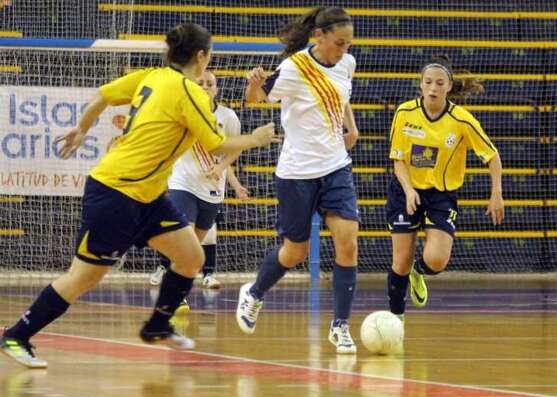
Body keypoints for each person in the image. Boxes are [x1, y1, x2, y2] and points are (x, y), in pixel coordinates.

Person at [0, 23, 276, 369]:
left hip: (148, 195)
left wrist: (81, 128)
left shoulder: (151, 75)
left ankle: (158, 324)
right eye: (210, 55)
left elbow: (103, 95)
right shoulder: (188, 91)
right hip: (117, 191)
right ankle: (17, 334)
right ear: (202, 56)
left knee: (191, 257)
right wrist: (256, 138)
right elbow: (216, 143)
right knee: (83, 277)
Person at [235, 6, 360, 354]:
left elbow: (342, 94)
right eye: (339, 43)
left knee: (348, 242)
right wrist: (255, 86)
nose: (344, 50)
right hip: (297, 173)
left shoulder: (346, 63)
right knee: (295, 252)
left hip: (336, 167)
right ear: (318, 37)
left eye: (348, 44)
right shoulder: (293, 68)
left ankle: (340, 325)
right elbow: (255, 100)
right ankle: (255, 292)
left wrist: (350, 124)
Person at [386, 57, 504, 321]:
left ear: (449, 86)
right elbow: (398, 160)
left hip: (441, 195)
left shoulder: (461, 120)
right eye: (428, 82)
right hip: (405, 190)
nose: (433, 88)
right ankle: (396, 319)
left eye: (439, 83)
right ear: (420, 84)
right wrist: (408, 190)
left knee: (437, 260)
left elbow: (492, 156)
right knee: (400, 261)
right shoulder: (405, 113)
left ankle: (419, 272)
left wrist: (496, 194)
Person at [148, 70, 249, 293]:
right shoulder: (182, 111)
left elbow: (237, 148)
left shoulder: (228, 117)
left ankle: (190, 279)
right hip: (182, 184)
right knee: (184, 239)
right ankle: (175, 293)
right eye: (200, 82)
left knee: (196, 249)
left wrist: (221, 168)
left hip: (212, 188)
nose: (204, 86)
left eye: (209, 83)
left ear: (216, 89)